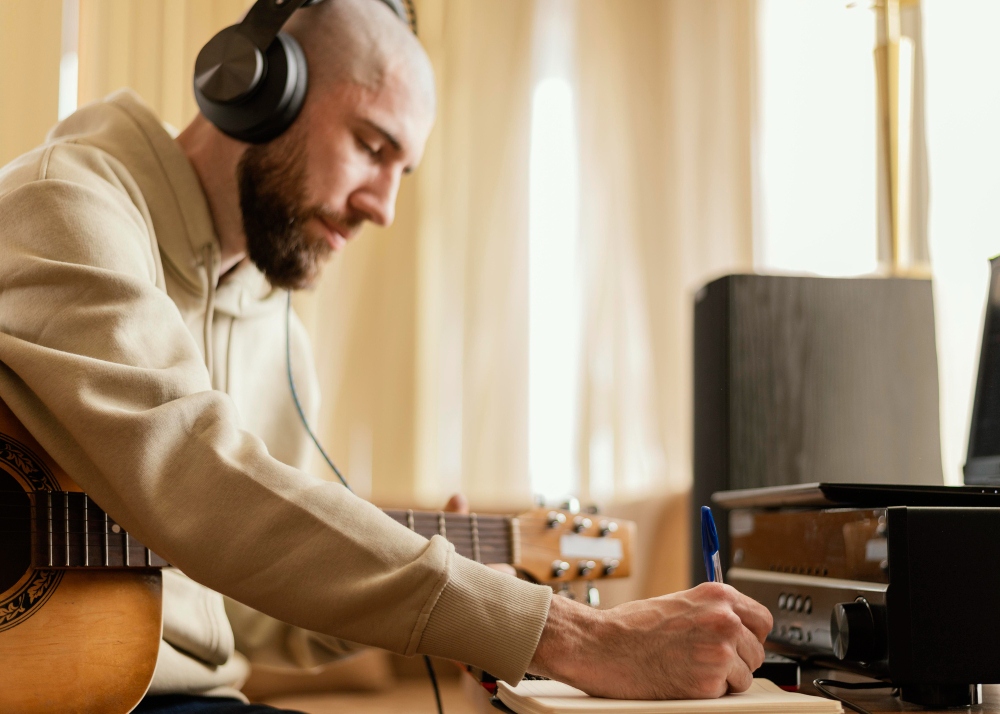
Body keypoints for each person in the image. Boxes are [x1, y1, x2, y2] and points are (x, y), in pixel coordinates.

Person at [0, 0, 772, 710]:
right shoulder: (64, 208)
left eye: (403, 172)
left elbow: (250, 594)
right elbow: (196, 480)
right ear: (258, 89)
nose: (384, 205)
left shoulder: (280, 335)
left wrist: (457, 600)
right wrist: (568, 633)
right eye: (372, 146)